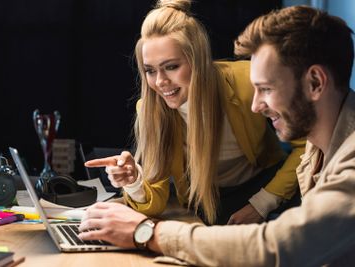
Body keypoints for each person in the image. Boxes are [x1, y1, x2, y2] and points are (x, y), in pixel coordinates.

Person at [79, 4, 355, 266]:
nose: (255, 105)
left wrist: (147, 233)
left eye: (267, 89)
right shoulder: (317, 149)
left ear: (316, 83)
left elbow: (281, 245)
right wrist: (136, 183)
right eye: (150, 71)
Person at [84, 0, 304, 226]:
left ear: (197, 60)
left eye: (171, 67)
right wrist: (134, 181)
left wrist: (263, 203)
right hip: (205, 201)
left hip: (265, 184)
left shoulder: (248, 81)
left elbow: (307, 145)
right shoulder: (149, 108)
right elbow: (155, 202)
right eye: (150, 70)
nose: (160, 82)